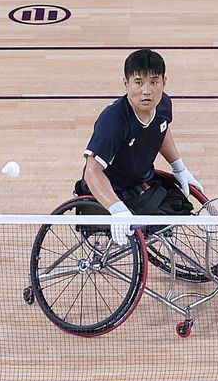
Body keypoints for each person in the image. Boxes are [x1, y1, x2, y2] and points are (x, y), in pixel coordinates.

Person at [77, 48, 204, 245]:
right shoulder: (114, 121)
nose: (147, 91)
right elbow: (92, 172)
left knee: (179, 205)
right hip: (113, 191)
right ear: (126, 84)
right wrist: (117, 209)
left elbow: (161, 130)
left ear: (164, 82)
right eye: (138, 82)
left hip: (142, 183)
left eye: (154, 82)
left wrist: (179, 167)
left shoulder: (163, 105)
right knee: (156, 218)